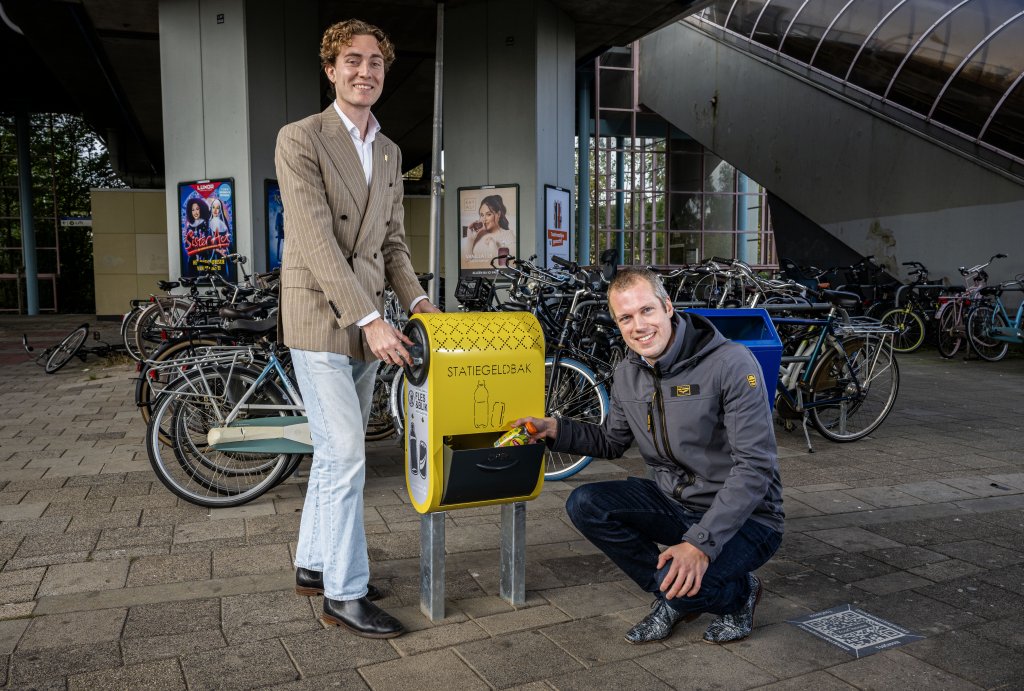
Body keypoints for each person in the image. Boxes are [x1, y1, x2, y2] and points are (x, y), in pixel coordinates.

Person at [274, 18, 439, 639]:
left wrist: (419, 303)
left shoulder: (391, 151)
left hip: (371, 319)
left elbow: (392, 244)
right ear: (330, 68)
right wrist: (372, 320)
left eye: (375, 62)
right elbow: (314, 238)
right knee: (346, 456)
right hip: (321, 317)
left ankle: (315, 564)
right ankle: (345, 593)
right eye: (352, 60)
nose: (364, 71)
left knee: (331, 455)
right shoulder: (301, 138)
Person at [515, 267, 783, 645]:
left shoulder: (731, 364)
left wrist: (699, 544)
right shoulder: (628, 372)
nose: (638, 325)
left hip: (749, 519)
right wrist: (555, 429)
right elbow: (611, 441)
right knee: (586, 503)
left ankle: (740, 594)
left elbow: (755, 468)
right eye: (625, 317)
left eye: (646, 311)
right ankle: (672, 591)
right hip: (676, 502)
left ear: (668, 307)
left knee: (690, 588)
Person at [462, 194, 515, 267]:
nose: (484, 219)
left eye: (488, 214)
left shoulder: (508, 235)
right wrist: (470, 239)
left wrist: (493, 247)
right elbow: (466, 260)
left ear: (498, 214)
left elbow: (509, 266)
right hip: (478, 276)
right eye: (482, 215)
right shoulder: (478, 235)